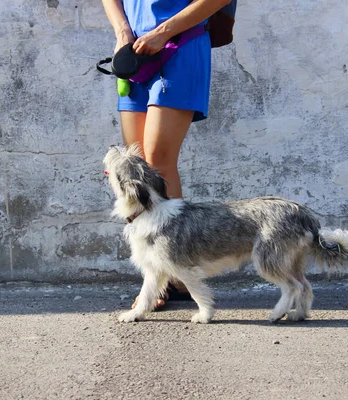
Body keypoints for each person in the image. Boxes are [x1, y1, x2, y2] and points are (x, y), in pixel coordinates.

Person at [102, 0, 230, 309]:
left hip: (180, 45)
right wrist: (122, 32)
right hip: (133, 52)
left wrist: (163, 31)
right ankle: (164, 277)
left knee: (158, 162)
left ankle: (172, 271)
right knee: (137, 166)